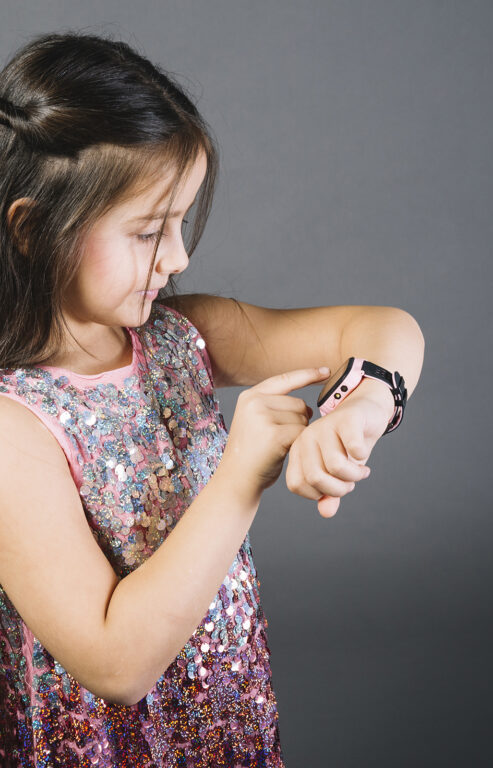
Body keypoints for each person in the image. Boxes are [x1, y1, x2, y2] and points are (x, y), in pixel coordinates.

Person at [0, 31, 423, 767]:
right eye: (146, 230)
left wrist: (356, 408)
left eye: (180, 221)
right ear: (36, 230)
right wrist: (238, 476)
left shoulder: (181, 336)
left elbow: (384, 328)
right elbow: (114, 663)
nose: (179, 257)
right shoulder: (13, 428)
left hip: (226, 731)